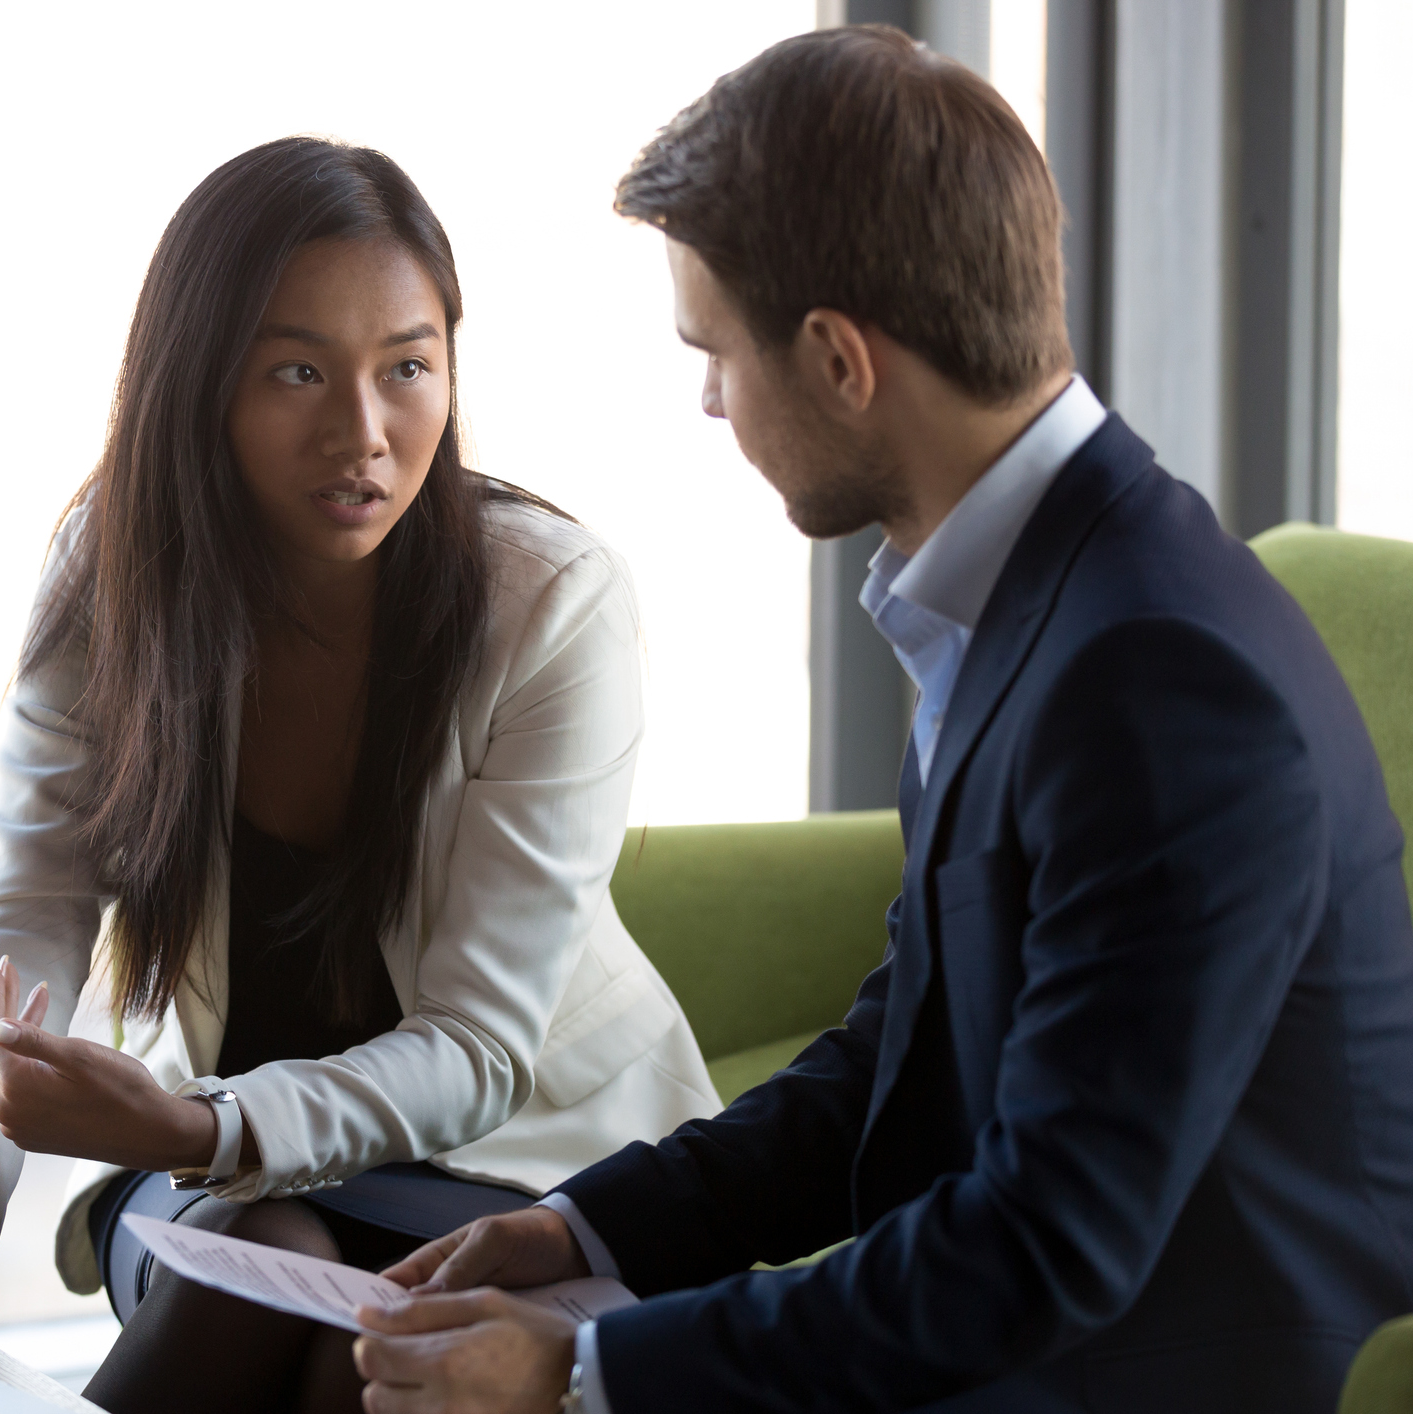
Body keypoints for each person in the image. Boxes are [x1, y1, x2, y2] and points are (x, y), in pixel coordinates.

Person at [350, 26, 1413, 1414]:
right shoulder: (1038, 587)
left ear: (841, 360)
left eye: (715, 351)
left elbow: (1052, 1239)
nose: (710, 399)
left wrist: (585, 1368)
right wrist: (586, 1230)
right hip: (1067, 1310)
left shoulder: (1152, 678)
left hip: (1175, 1365)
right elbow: (907, 1035)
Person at [0, 136, 719, 1414]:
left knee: (356, 1361)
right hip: (224, 1177)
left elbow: (480, 1045)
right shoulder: (115, 576)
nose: (365, 433)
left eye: (407, 368)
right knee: (252, 1264)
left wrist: (196, 1129)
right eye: (294, 371)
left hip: (524, 1167)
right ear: (198, 383)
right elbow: (29, 913)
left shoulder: (546, 599)